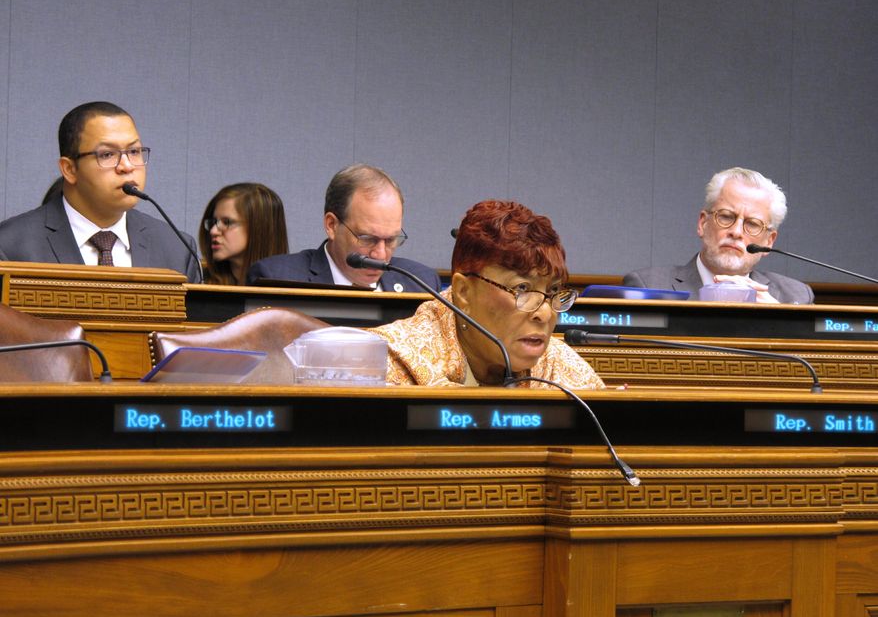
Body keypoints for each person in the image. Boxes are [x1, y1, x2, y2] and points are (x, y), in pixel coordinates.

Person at [371, 200, 605, 388]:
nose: (544, 313)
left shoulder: (565, 373)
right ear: (463, 293)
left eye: (553, 291)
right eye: (522, 288)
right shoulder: (387, 364)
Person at [0, 101, 201, 282]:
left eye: (134, 152)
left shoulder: (177, 249)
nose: (127, 166)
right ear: (69, 169)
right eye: (107, 154)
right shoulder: (10, 246)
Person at [623, 167, 814, 304]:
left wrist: (780, 321)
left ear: (769, 241)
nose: (736, 232)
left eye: (752, 224)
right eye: (726, 217)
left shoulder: (795, 297)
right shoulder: (648, 286)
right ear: (702, 224)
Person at [246, 163, 440, 292]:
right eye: (367, 239)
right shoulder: (277, 280)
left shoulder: (421, 284)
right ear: (331, 225)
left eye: (391, 240)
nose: (380, 254)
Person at [199, 183, 289, 285]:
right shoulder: (199, 282)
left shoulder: (293, 290)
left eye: (227, 222)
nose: (213, 231)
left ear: (259, 228)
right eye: (214, 222)